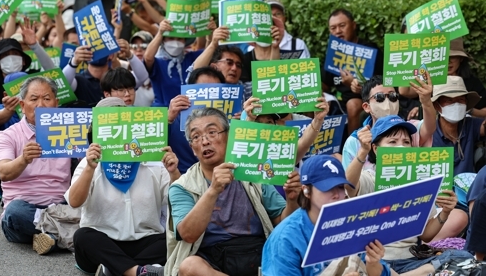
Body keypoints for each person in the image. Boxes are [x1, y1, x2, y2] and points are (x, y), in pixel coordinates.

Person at [165, 107, 301, 276]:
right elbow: (188, 234)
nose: (205, 141)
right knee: (190, 266)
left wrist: (292, 200)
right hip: (212, 259)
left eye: (212, 132)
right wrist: (213, 191)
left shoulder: (251, 172)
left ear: (229, 137)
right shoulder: (182, 186)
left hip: (257, 252)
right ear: (193, 148)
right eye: (196, 137)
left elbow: (284, 224)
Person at [347, 115, 474, 274]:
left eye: (406, 142)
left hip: (411, 261)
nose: (401, 147)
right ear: (376, 149)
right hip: (376, 262)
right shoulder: (369, 178)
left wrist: (446, 212)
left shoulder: (419, 183)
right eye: (392, 142)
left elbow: (427, 235)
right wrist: (361, 152)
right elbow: (349, 186)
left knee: (464, 258)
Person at [68, 97, 179, 276]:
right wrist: (89, 167)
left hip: (144, 241)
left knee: (172, 239)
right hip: (104, 242)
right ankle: (136, 271)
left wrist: (174, 172)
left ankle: (114, 269)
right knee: (83, 237)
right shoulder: (89, 164)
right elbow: (74, 202)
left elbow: (178, 200)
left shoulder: (153, 162)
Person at [262, 154, 392, 276]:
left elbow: (382, 272)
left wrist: (373, 264)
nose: (336, 194)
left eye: (341, 187)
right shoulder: (285, 238)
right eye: (327, 188)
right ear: (306, 190)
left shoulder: (353, 225)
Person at [0, 76, 71, 254]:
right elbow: (4, 173)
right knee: (15, 212)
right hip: (25, 209)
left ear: (56, 103)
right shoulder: (8, 135)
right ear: (22, 105)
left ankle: (50, 237)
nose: (41, 105)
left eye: (46, 98)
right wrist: (23, 159)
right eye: (34, 99)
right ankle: (66, 234)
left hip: (59, 206)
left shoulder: (70, 131)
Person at [342, 74, 435, 171]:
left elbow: (430, 127)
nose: (388, 102)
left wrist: (426, 101)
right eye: (379, 97)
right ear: (366, 107)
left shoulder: (411, 129)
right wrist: (362, 152)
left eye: (393, 96)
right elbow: (349, 183)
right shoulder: (354, 142)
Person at [322, 9, 383, 135]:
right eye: (333, 28)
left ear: (353, 25)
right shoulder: (334, 52)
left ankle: (352, 149)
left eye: (342, 26)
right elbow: (324, 83)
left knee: (353, 104)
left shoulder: (370, 50)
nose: (338, 31)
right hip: (339, 102)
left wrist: (357, 85)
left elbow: (382, 85)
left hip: (365, 98)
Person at [0, 17, 56, 108]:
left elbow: (53, 72)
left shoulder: (33, 76)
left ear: (23, 61)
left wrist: (34, 45)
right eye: (5, 55)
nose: (11, 58)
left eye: (15, 53)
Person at [168, 67, 227, 174]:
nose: (209, 96)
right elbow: (152, 148)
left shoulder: (230, 122)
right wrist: (168, 119)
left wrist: (241, 125)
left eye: (214, 92)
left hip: (226, 176)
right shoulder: (175, 119)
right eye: (203, 90)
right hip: (184, 181)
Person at [63, 39, 148, 106]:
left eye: (100, 49)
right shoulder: (79, 81)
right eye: (91, 49)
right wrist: (74, 62)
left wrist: (130, 55)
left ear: (111, 55)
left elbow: (142, 76)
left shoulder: (119, 78)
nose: (95, 53)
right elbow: (63, 85)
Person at [432, 75, 486, 175]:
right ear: (437, 106)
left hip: (467, 189)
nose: (456, 105)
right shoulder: (428, 133)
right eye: (449, 100)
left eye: (461, 100)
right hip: (440, 189)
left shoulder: (470, 125)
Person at [143, 20, 203, 107]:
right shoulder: (158, 63)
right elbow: (148, 58)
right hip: (163, 114)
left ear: (185, 41)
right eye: (171, 38)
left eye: (179, 39)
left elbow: (209, 51)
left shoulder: (191, 58)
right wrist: (160, 33)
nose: (175, 42)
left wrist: (209, 33)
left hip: (187, 112)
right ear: (163, 41)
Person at [130, 31, 155, 107]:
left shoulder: (160, 71)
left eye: (144, 46)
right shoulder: (124, 67)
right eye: (134, 46)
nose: (138, 49)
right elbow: (112, 58)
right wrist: (118, 29)